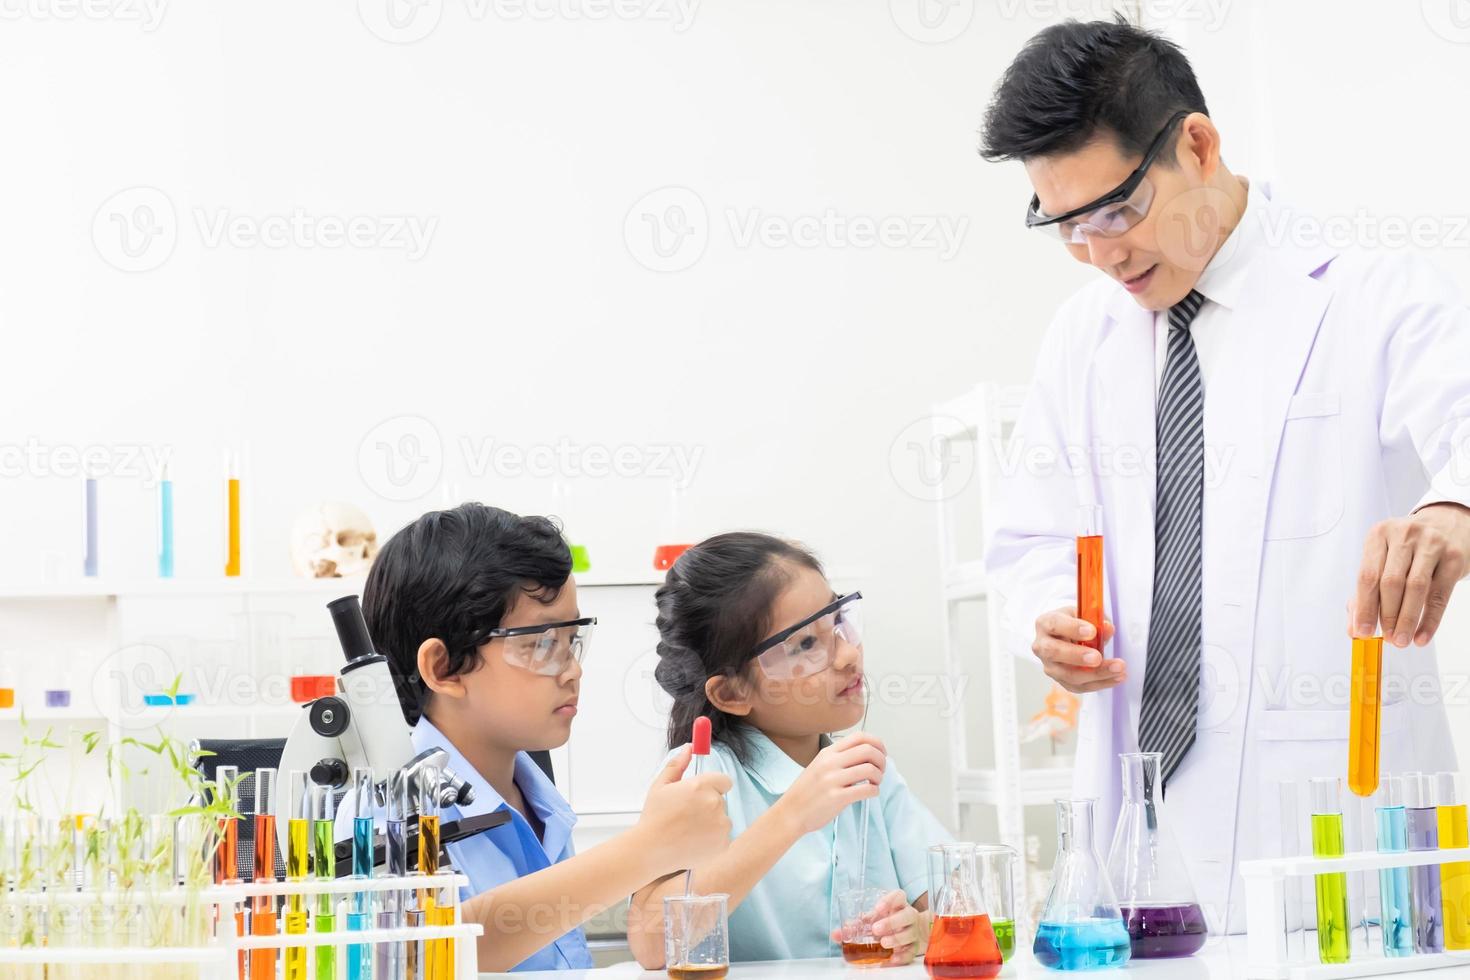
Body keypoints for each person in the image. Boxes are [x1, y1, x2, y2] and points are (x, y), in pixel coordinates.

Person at [980, 18, 1470, 931]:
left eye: (1117, 211)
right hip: (1142, 853)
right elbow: (1029, 541)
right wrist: (1046, 617)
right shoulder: (1083, 340)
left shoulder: (1373, 299)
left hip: (1340, 841)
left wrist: (1453, 508)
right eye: (1068, 226)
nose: (1101, 253)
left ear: (1197, 144)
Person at [360, 502, 732, 971]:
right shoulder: (391, 802)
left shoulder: (539, 800)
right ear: (444, 668)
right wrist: (649, 846)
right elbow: (432, 952)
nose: (571, 670)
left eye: (570, 640)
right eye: (539, 643)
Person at [627, 532, 951, 966]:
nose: (847, 655)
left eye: (838, 621)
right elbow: (652, 944)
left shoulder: (869, 771)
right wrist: (792, 816)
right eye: (804, 644)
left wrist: (919, 929)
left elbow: (968, 907)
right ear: (732, 692)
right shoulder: (701, 776)